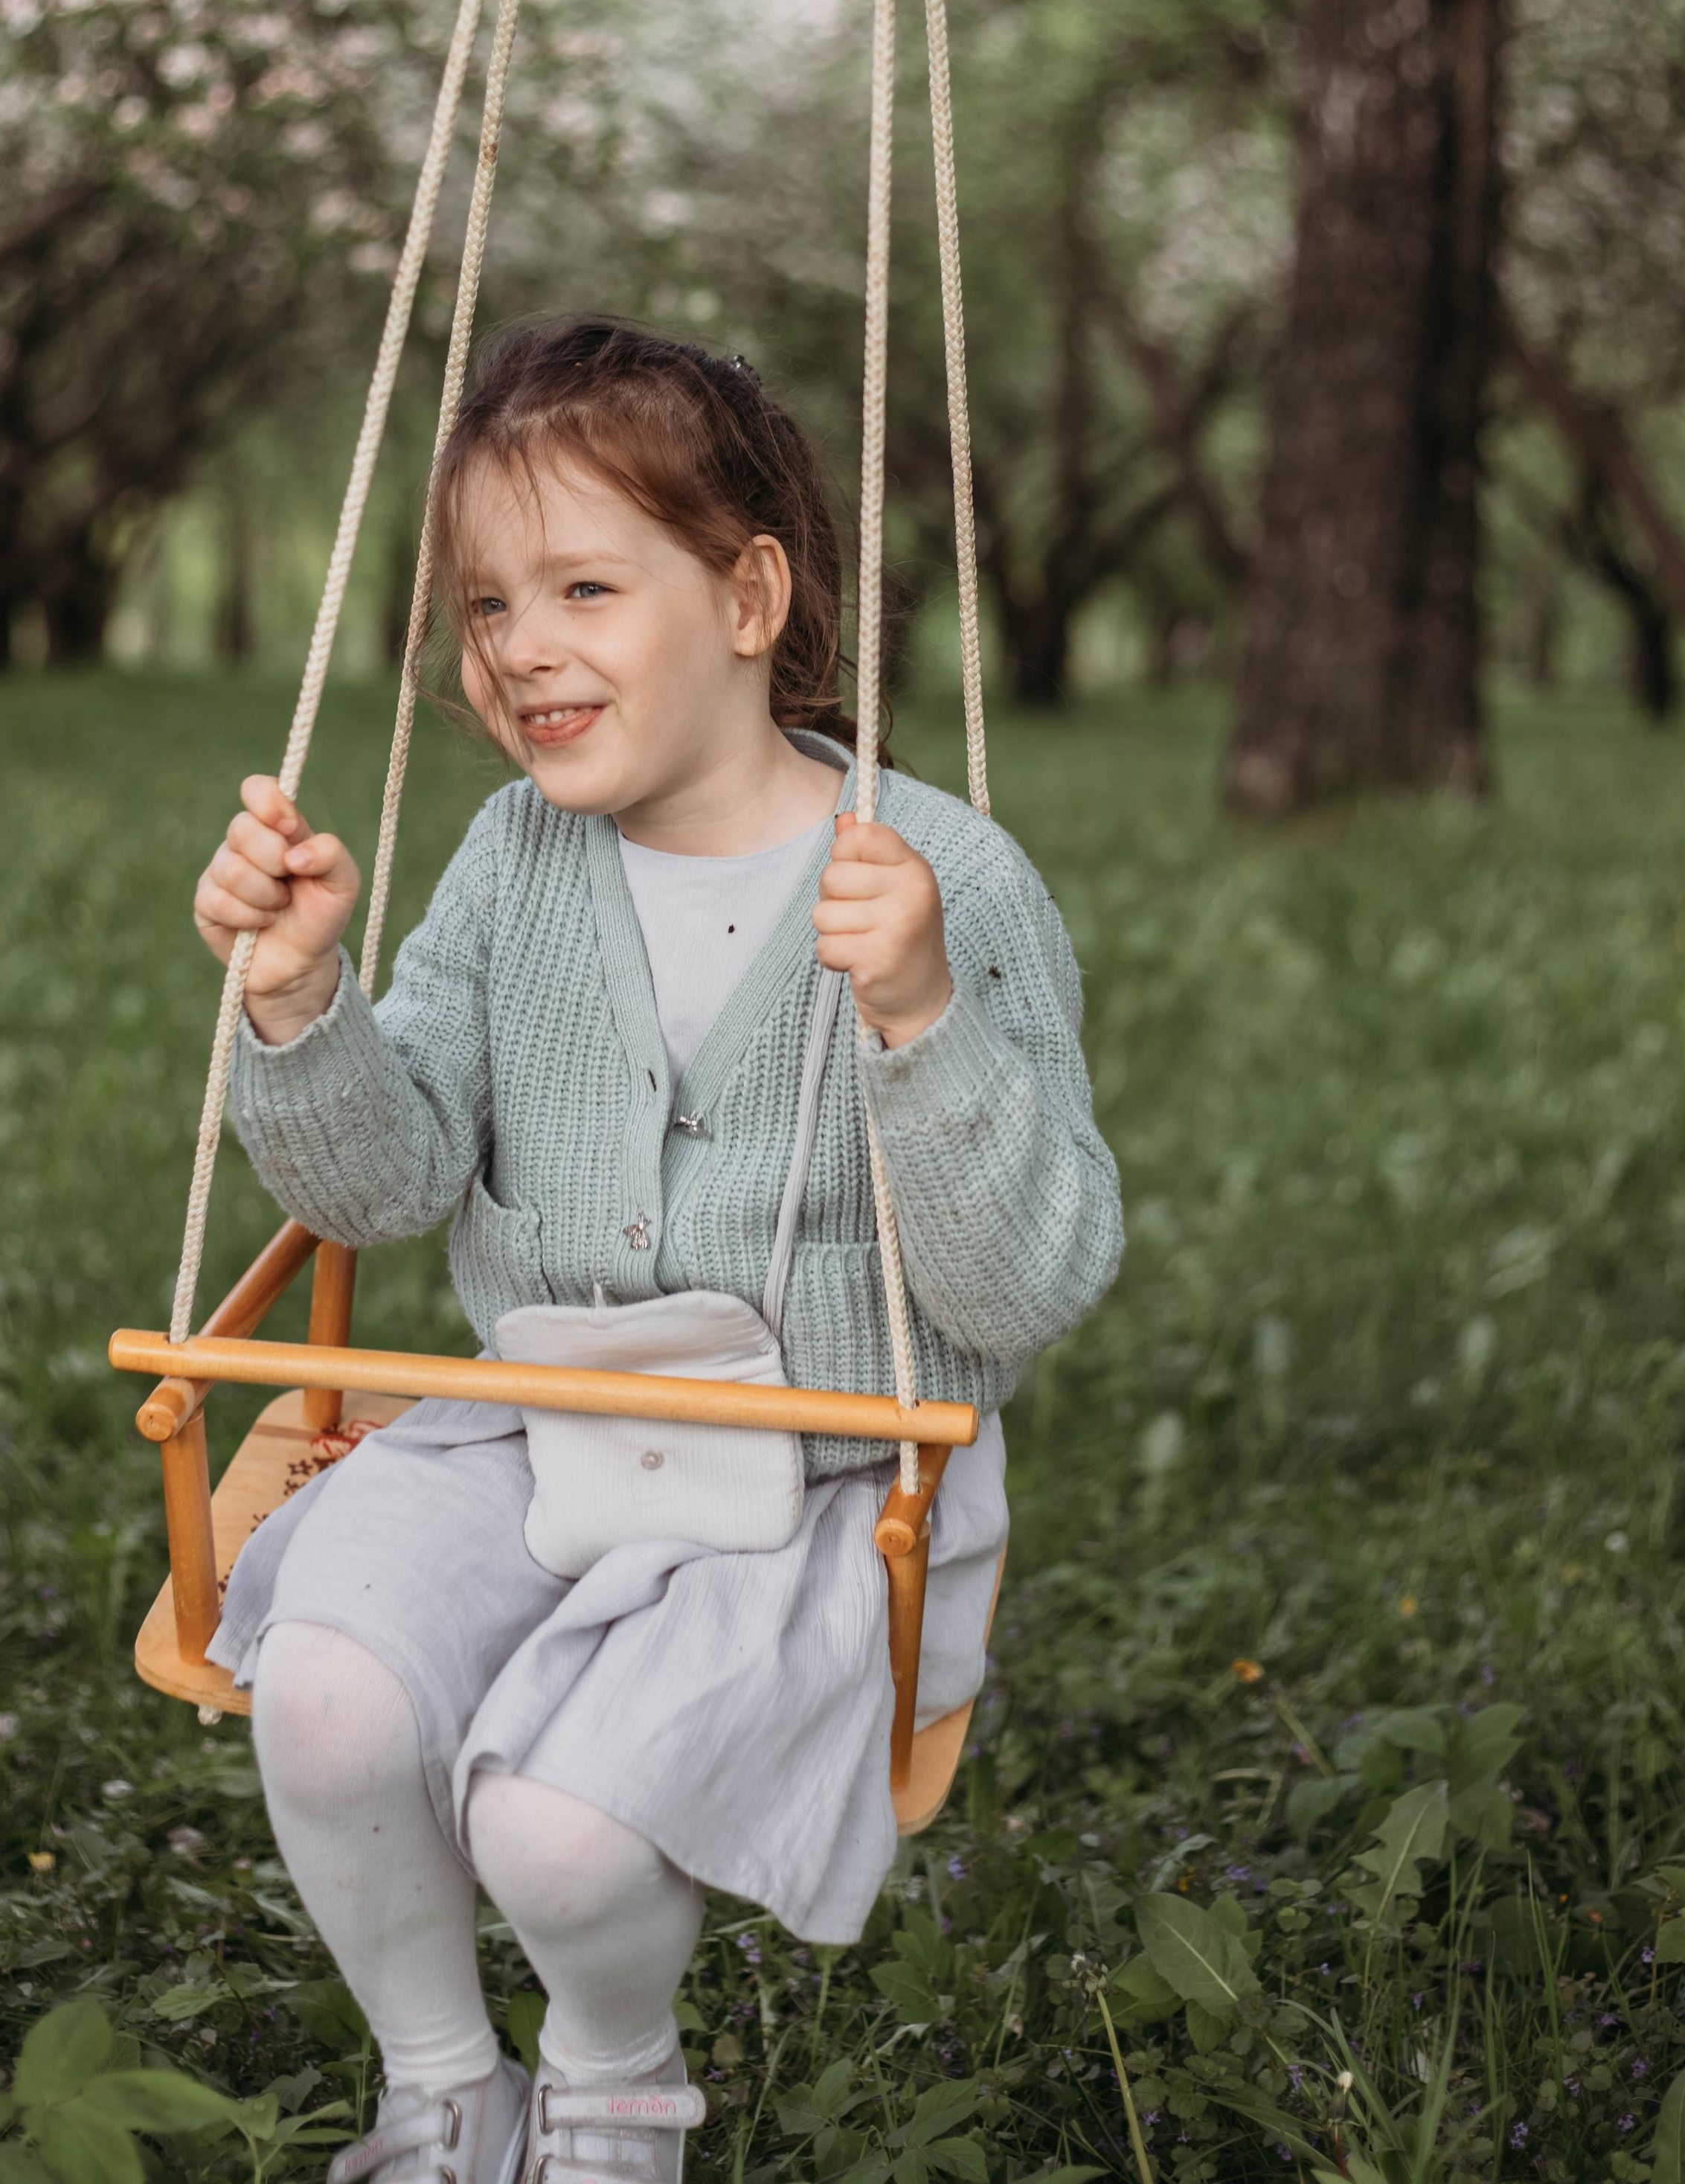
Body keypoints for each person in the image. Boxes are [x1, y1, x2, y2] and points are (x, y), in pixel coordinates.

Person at [190, 318, 1123, 2184]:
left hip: (821, 1480)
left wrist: (919, 1018)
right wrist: (302, 1008)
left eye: (585, 586)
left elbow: (1022, 1284)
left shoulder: (939, 878)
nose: (520, 644)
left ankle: (613, 2088)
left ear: (750, 593)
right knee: (325, 1686)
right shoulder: (512, 861)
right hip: (538, 1420)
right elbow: (387, 1182)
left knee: (556, 1827)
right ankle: (445, 2082)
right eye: (483, 604)